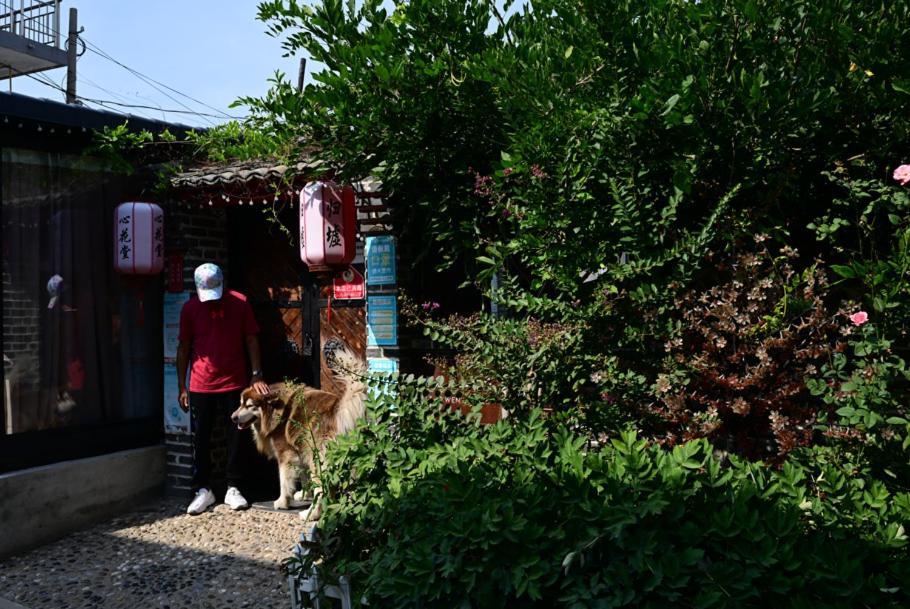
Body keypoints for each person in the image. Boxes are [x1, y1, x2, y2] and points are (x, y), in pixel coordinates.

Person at [177, 263, 269, 515]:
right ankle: (202, 489)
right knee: (201, 437)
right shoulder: (190, 308)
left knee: (237, 436)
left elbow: (251, 337)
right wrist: (181, 386)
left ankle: (234, 486)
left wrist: (256, 373)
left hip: (235, 382)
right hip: (200, 383)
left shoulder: (239, 302)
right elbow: (184, 347)